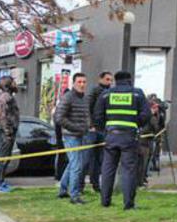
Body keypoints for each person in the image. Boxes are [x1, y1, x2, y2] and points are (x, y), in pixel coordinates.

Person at [94, 71, 150, 210]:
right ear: (129, 80)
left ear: (115, 81)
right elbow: (146, 114)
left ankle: (105, 201)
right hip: (129, 137)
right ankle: (128, 204)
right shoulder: (137, 93)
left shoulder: (106, 94)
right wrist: (135, 124)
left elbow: (98, 115)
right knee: (128, 170)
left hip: (111, 136)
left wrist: (104, 130)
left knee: (107, 169)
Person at [56, 73, 89, 204]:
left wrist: (88, 126)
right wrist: (76, 128)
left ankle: (63, 190)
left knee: (72, 164)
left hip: (81, 135)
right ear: (74, 83)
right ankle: (74, 195)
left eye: (84, 82)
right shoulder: (68, 97)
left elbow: (86, 115)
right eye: (79, 82)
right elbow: (59, 118)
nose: (82, 84)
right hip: (70, 136)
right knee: (77, 166)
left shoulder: (84, 98)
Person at [80, 71, 113, 193]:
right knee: (86, 159)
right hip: (92, 130)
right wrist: (90, 125)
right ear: (101, 79)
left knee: (99, 160)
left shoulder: (110, 93)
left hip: (103, 130)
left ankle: (95, 184)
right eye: (108, 79)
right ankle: (80, 185)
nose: (110, 82)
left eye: (111, 80)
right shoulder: (95, 91)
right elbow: (87, 108)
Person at [0, 76, 19, 193]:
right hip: (4, 131)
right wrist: (8, 132)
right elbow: (2, 116)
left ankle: (0, 181)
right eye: (13, 82)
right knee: (3, 157)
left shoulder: (7, 96)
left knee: (4, 157)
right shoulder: (5, 97)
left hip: (5, 130)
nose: (16, 84)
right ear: (8, 84)